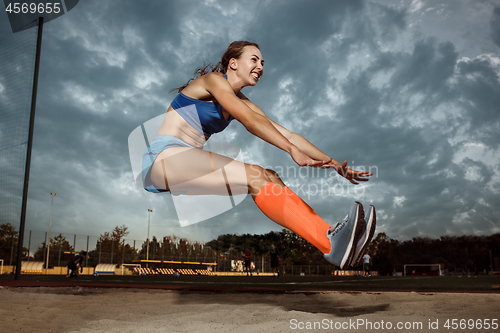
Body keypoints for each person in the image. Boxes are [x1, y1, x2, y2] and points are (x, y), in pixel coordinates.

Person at [141, 41, 376, 269]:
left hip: (182, 163)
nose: (261, 67)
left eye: (263, 62)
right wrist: (290, 150)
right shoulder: (212, 81)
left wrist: (335, 165)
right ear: (233, 63)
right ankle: (331, 242)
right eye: (254, 59)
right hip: (163, 159)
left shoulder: (244, 102)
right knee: (254, 174)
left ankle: (331, 244)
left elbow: (290, 135)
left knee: (267, 177)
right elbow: (250, 121)